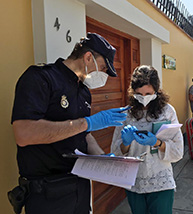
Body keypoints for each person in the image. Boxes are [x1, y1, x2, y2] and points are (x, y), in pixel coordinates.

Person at [10, 33, 128, 214]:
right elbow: (24, 133)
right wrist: (86, 123)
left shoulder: (84, 92)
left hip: (79, 185)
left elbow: (84, 133)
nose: (104, 75)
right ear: (88, 57)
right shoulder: (41, 78)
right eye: (103, 68)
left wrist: (102, 159)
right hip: (47, 191)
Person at [111, 65, 184, 214]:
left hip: (161, 181)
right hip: (133, 180)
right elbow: (116, 152)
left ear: (156, 91)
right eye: (139, 94)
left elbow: (178, 150)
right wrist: (125, 143)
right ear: (133, 92)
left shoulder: (167, 111)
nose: (144, 98)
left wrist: (157, 143)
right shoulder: (127, 114)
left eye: (148, 93)